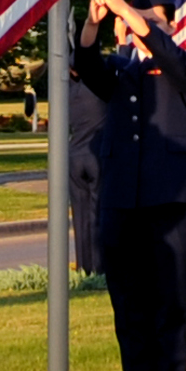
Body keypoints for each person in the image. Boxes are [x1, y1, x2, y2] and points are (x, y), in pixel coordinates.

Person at [77, 0, 186, 371]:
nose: (133, 27)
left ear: (169, 24)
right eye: (130, 18)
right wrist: (94, 22)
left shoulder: (184, 65)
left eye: (149, 19)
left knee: (170, 311)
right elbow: (87, 67)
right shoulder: (123, 69)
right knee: (129, 312)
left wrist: (135, 17)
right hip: (123, 203)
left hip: (169, 204)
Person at [66, 18, 108, 274]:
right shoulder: (99, 89)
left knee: (80, 217)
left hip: (74, 156)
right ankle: (101, 267)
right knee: (99, 214)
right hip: (98, 154)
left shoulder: (67, 93)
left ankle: (84, 267)